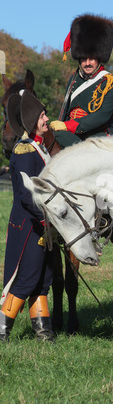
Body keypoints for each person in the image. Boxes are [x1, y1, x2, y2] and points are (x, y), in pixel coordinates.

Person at [0, 90, 55, 342]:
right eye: (42, 116)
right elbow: (25, 194)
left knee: (43, 280)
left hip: (42, 225)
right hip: (29, 226)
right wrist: (45, 217)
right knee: (25, 280)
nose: (46, 119)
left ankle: (43, 332)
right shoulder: (24, 150)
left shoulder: (39, 148)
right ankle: (1, 331)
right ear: (33, 121)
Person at [50, 13, 113, 147]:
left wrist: (67, 126)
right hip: (71, 135)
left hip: (98, 137)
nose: (87, 63)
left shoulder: (110, 82)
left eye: (91, 58)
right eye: (83, 58)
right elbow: (65, 111)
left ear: (99, 58)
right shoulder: (74, 79)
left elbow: (102, 116)